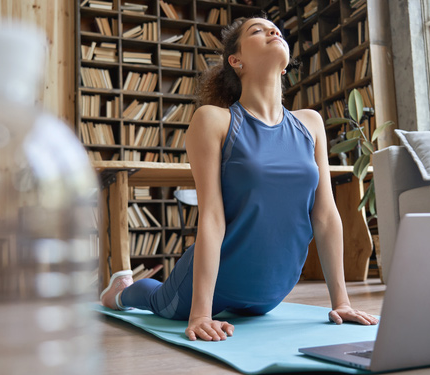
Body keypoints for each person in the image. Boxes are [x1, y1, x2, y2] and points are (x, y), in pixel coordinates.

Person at [100, 16, 378, 341]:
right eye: (257, 31)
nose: (273, 31)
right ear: (236, 61)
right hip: (215, 282)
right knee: (157, 300)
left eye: (276, 30)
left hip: (270, 294)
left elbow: (326, 216)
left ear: (286, 66)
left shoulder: (311, 124)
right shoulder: (214, 121)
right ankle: (121, 290)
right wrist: (201, 313)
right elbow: (213, 217)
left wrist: (341, 302)